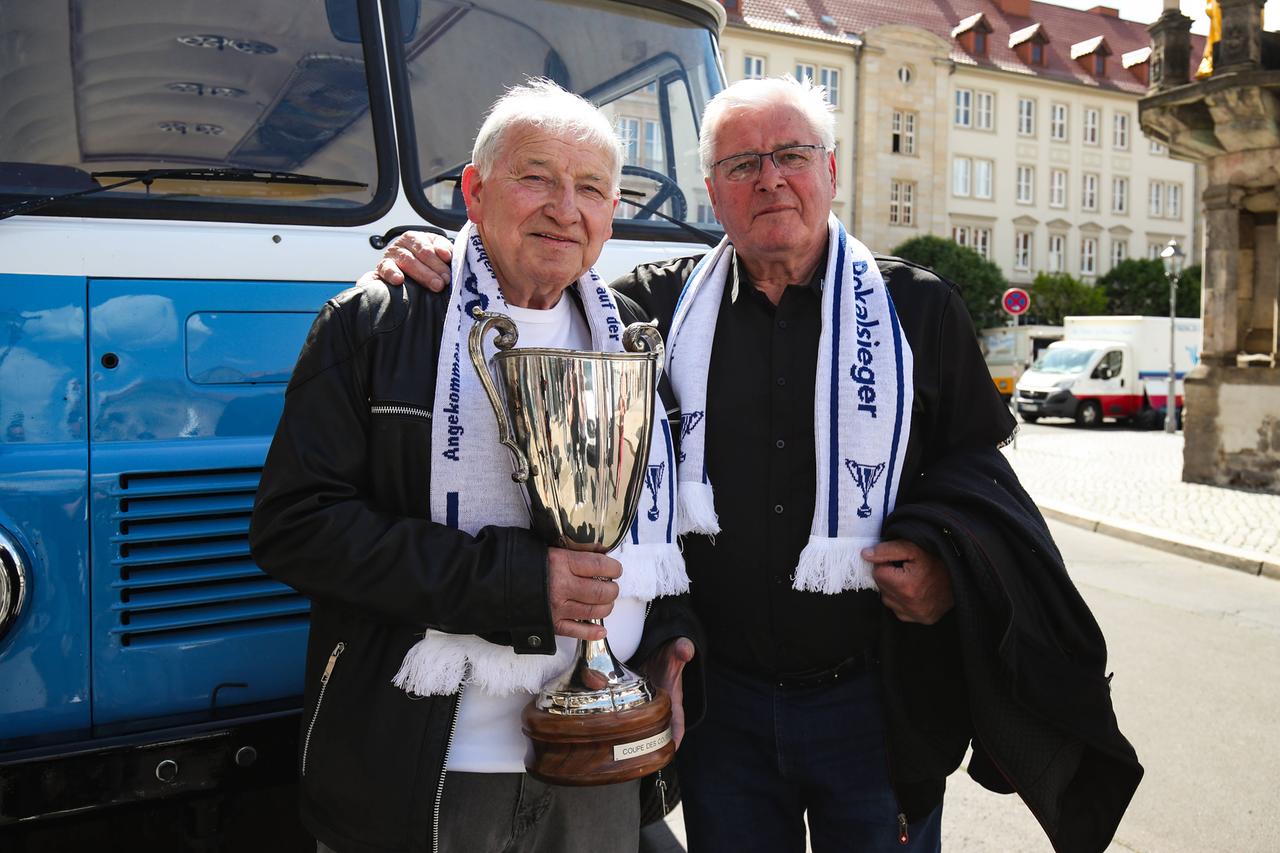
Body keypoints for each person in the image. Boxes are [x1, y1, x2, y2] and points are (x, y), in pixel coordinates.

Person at [369, 76, 1142, 853]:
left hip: (873, 700)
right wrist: (439, 252)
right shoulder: (651, 312)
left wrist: (947, 565)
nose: (770, 178)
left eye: (791, 155)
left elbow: (973, 466)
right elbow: (544, 269)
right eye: (742, 165)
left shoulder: (918, 308)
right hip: (721, 709)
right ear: (713, 193)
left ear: (830, 172)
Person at [250, 80, 698, 853]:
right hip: (424, 772)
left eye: (592, 187)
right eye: (537, 176)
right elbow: (295, 527)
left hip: (594, 763)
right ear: (474, 190)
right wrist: (519, 586)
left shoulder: (631, 334)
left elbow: (662, 516)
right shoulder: (380, 321)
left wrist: (671, 638)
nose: (566, 206)